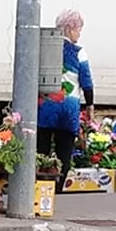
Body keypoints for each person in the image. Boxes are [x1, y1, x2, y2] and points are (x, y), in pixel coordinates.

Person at [38, 9, 95, 163]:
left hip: (45, 106)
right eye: (79, 30)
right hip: (67, 110)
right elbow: (87, 82)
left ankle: (40, 177)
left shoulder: (46, 48)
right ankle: (60, 178)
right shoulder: (78, 52)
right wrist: (89, 106)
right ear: (70, 29)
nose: (79, 34)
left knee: (40, 152)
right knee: (64, 154)